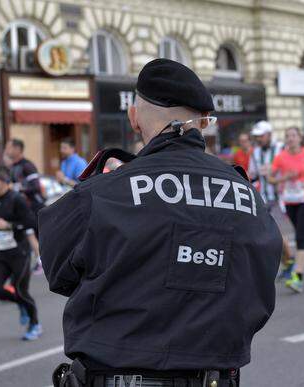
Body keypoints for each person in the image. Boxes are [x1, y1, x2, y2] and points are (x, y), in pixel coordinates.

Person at [39, 59, 282, 387]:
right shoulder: (247, 195)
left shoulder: (104, 192)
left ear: (134, 118)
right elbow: (260, 282)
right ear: (204, 123)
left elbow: (59, 272)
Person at [0, 165, 41, 341]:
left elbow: (31, 222)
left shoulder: (17, 199)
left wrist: (9, 225)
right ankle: (21, 305)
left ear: (4, 181)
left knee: (21, 291)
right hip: (1, 254)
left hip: (19, 254)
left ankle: (35, 324)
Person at [270, 127, 304, 293]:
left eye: (293, 136)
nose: (290, 139)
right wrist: (284, 178)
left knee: (300, 235)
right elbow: (271, 178)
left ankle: (298, 277)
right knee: (301, 231)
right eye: (287, 136)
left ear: (300, 138)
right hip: (290, 199)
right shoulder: (281, 157)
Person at [248, 121, 293, 280]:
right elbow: (252, 174)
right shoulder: (255, 152)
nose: (259, 139)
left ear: (269, 134)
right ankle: (289, 263)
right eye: (257, 136)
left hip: (282, 198)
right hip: (263, 199)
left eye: (261, 136)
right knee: (271, 236)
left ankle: (292, 262)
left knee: (277, 235)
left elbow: (291, 168)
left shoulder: (281, 149)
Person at [4, 139, 46, 216]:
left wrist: (15, 188)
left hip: (35, 208)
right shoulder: (13, 166)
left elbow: (36, 187)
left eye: (8, 148)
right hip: (21, 208)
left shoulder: (27, 165)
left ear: (17, 149)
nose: (6, 150)